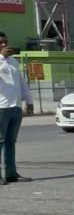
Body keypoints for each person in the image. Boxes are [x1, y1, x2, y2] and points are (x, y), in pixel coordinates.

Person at [0, 32, 33, 186]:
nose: (4, 45)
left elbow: (21, 82)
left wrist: (29, 100)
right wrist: (1, 57)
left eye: (5, 42)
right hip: (1, 107)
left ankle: (11, 173)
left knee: (10, 142)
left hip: (15, 107)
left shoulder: (13, 61)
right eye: (0, 43)